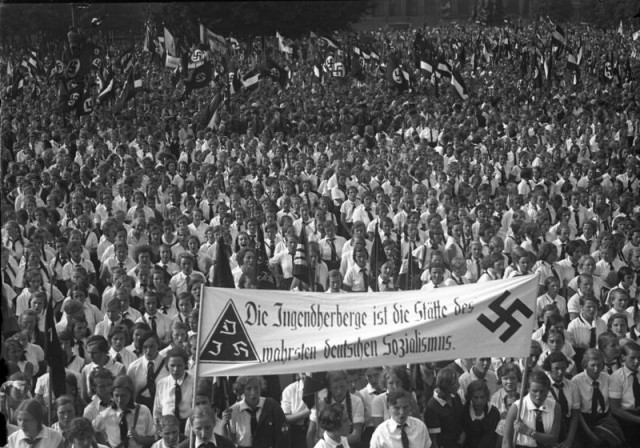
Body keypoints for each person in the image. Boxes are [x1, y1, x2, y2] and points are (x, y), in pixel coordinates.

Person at [223, 375, 291, 448]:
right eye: (249, 389)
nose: (253, 393)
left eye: (256, 388)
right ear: (242, 390)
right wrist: (224, 424)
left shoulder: (271, 406)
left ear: (261, 388)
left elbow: (283, 434)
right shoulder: (234, 411)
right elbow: (229, 441)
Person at [93, 374, 156, 448]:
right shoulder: (105, 415)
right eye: (116, 396)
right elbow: (91, 432)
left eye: (123, 396)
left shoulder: (143, 411)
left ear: (131, 394)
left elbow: (153, 438)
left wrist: (139, 439)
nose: (119, 400)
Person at [502, 370, 561, 448]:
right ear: (528, 389)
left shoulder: (555, 407)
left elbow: (553, 438)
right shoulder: (516, 407)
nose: (538, 395)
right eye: (535, 391)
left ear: (548, 389)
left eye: (542, 391)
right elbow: (506, 442)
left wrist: (528, 432)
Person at [609, 340, 640, 448]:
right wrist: (637, 420)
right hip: (625, 418)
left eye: (639, 358)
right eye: (632, 358)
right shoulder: (617, 377)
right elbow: (615, 409)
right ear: (623, 357)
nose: (636, 362)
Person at [424, 367, 464, 448]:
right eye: (455, 383)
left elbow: (461, 419)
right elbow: (433, 439)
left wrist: (463, 433)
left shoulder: (456, 397)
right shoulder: (432, 407)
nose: (459, 385)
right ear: (446, 386)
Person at [461, 380, 499, 448]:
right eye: (476, 397)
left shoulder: (494, 412)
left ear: (487, 396)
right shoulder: (464, 411)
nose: (479, 401)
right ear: (470, 397)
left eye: (482, 397)